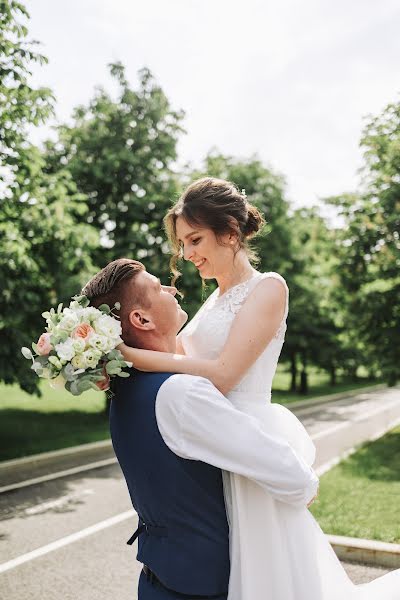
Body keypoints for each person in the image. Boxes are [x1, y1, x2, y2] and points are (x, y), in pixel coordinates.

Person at [118, 178, 400, 600]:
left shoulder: (269, 287)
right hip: (214, 447)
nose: (187, 254)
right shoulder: (210, 302)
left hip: (247, 445)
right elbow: (177, 362)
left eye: (195, 240)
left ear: (230, 231)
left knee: (268, 579)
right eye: (182, 244)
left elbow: (225, 374)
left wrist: (133, 357)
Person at [81, 258, 319, 600]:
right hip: (204, 588)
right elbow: (291, 476)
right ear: (141, 318)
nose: (172, 288)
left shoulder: (124, 389)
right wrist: (307, 486)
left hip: (155, 580)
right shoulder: (182, 393)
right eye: (158, 287)